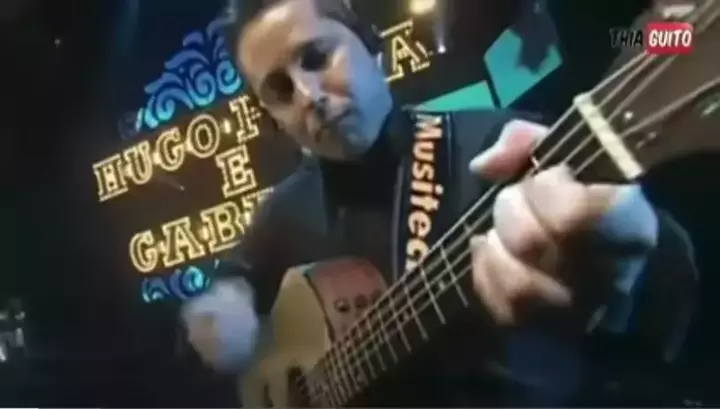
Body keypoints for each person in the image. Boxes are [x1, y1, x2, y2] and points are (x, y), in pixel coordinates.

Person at [181, 0, 699, 405]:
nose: (308, 95)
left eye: (317, 57)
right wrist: (223, 304)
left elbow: (667, 286)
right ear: (273, 121)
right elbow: (237, 278)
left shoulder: (496, 145)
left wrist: (631, 264)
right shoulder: (284, 212)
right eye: (280, 90)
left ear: (372, 47)